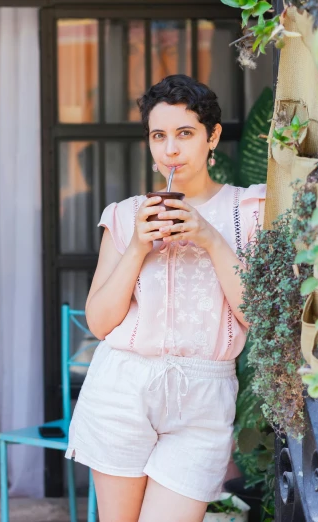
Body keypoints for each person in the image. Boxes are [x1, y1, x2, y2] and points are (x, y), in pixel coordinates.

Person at [65, 74, 266, 522]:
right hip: (122, 388)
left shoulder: (246, 210)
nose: (170, 149)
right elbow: (99, 322)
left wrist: (211, 238)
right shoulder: (124, 216)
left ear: (212, 137)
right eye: (159, 135)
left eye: (185, 133)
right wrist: (136, 246)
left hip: (203, 397)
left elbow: (257, 315)